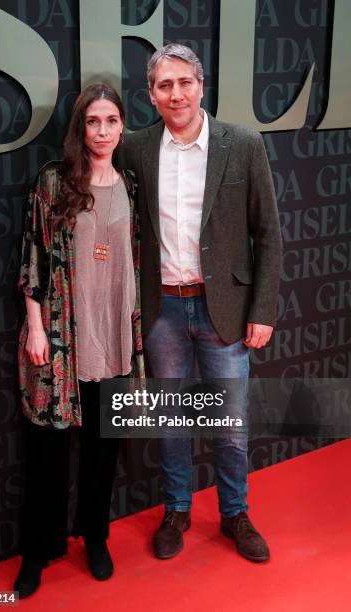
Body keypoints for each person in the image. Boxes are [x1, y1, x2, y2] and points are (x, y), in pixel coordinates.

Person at [120, 44, 282, 562]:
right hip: (162, 308)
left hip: (225, 310)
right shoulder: (135, 148)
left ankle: (235, 513)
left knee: (229, 425)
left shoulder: (243, 143)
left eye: (184, 82)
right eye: (164, 85)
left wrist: (263, 309)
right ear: (151, 94)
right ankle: (177, 510)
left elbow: (269, 234)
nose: (176, 94)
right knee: (169, 421)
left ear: (201, 85)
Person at [14, 83, 144, 598]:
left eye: (112, 120)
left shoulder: (131, 183)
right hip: (64, 335)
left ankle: (95, 534)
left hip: (114, 334)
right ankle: (37, 551)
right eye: (94, 121)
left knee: (102, 449)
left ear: (122, 126)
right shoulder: (54, 182)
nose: (104, 130)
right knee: (47, 452)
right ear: (80, 127)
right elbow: (33, 255)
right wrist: (36, 325)